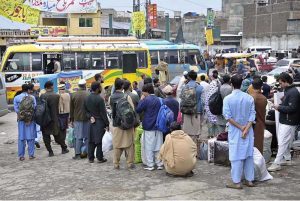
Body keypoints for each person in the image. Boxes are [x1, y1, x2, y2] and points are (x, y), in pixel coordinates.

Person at [223, 74, 256, 189]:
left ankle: (237, 182)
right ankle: (249, 180)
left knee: (236, 156)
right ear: (241, 84)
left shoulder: (227, 99)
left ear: (232, 84)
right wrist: (246, 128)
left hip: (236, 131)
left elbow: (227, 117)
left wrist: (241, 128)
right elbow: (252, 116)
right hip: (248, 130)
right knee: (248, 155)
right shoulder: (249, 98)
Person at [268, 73, 300, 172]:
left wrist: (279, 107)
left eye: (281, 83)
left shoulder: (293, 92)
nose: (280, 85)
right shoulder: (289, 90)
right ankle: (286, 158)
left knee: (282, 142)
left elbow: (292, 108)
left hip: (289, 120)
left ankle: (277, 162)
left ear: (286, 82)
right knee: (284, 141)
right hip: (286, 119)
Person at [109, 79, 136, 169]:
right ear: (122, 86)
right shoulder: (126, 97)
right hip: (126, 124)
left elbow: (111, 109)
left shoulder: (111, 97)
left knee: (117, 144)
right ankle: (130, 163)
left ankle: (116, 163)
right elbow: (132, 110)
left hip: (116, 124)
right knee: (129, 143)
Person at [136, 83, 164, 171]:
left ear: (146, 92)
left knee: (148, 146)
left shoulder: (146, 100)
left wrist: (141, 100)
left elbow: (138, 109)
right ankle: (159, 163)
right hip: (159, 125)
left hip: (149, 125)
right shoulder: (159, 99)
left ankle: (150, 164)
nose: (143, 94)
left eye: (143, 92)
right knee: (158, 146)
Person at [41, 81, 69, 157]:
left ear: (46, 88)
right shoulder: (56, 96)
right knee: (57, 135)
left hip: (44, 119)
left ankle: (50, 152)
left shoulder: (42, 96)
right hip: (55, 118)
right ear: (52, 87)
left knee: (46, 136)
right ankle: (64, 148)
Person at [85, 82, 109, 163]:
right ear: (98, 88)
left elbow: (85, 111)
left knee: (91, 140)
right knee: (99, 140)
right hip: (99, 122)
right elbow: (103, 113)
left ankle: (90, 158)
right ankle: (99, 157)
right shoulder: (99, 99)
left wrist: (90, 116)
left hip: (91, 122)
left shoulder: (87, 98)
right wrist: (107, 123)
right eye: (100, 87)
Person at [14, 84, 37, 161]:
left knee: (21, 138)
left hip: (21, 120)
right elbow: (34, 108)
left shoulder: (16, 97)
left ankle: (21, 156)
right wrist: (29, 118)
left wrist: (22, 116)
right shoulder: (32, 97)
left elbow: (16, 109)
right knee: (31, 137)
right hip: (30, 120)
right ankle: (31, 155)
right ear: (28, 90)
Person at [70, 79, 90, 160]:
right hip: (87, 118)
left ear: (78, 86)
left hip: (77, 118)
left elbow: (71, 109)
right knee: (88, 137)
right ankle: (88, 153)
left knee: (78, 137)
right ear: (85, 85)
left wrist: (71, 119)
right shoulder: (89, 94)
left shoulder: (73, 95)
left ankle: (77, 154)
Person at [181, 70, 204, 139]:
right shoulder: (200, 87)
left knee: (187, 131)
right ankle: (196, 147)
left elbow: (182, 99)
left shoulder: (184, 87)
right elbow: (203, 101)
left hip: (186, 111)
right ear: (196, 77)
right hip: (197, 111)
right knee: (196, 132)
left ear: (188, 77)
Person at [205, 70, 225, 138]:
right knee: (216, 122)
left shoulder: (213, 83)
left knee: (212, 122)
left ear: (212, 76)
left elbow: (209, 96)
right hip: (218, 104)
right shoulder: (219, 82)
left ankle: (212, 136)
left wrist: (207, 105)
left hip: (212, 104)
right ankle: (217, 135)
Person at [251, 78, 267, 154]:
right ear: (261, 86)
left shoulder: (249, 97)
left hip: (249, 125)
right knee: (258, 147)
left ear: (252, 86)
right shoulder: (263, 98)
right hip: (260, 124)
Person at [27, 83, 42, 149]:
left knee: (30, 129)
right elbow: (38, 105)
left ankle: (31, 143)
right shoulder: (36, 94)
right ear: (32, 88)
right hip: (36, 114)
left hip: (28, 115)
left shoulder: (26, 95)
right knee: (38, 128)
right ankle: (36, 140)